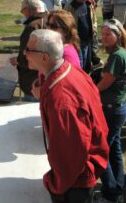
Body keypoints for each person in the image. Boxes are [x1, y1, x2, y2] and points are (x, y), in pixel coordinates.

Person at [27, 29, 109, 202]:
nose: (24, 53)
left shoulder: (62, 99)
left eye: (28, 50)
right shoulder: (71, 70)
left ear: (44, 57)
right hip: (81, 174)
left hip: (75, 182)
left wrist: (55, 184)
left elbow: (72, 154)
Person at [94, 20, 126, 202]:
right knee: (114, 150)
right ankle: (118, 186)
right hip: (117, 109)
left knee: (101, 151)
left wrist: (88, 92)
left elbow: (104, 84)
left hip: (111, 111)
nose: (104, 38)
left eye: (108, 34)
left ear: (118, 35)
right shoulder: (119, 53)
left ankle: (111, 193)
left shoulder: (117, 56)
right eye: (103, 34)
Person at [11, 0, 48, 98]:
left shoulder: (32, 27)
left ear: (27, 10)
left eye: (23, 11)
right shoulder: (49, 21)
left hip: (33, 80)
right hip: (46, 76)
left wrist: (17, 60)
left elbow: (25, 58)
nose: (23, 14)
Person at [65, 0, 98, 72]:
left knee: (87, 62)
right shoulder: (71, 5)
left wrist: (94, 30)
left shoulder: (88, 5)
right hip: (76, 39)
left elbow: (94, 19)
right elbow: (64, 20)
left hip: (88, 39)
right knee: (80, 62)